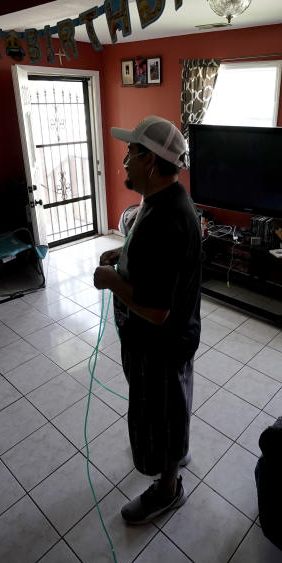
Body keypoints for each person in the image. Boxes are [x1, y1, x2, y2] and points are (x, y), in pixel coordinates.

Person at [92, 115, 201, 524]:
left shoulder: (166, 220)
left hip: (161, 343)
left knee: (161, 412)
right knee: (170, 407)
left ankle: (168, 488)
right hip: (168, 341)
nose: (123, 160)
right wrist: (120, 258)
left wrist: (111, 281)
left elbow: (157, 309)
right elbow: (153, 267)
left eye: (130, 153)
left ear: (152, 162)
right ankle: (178, 448)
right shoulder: (159, 202)